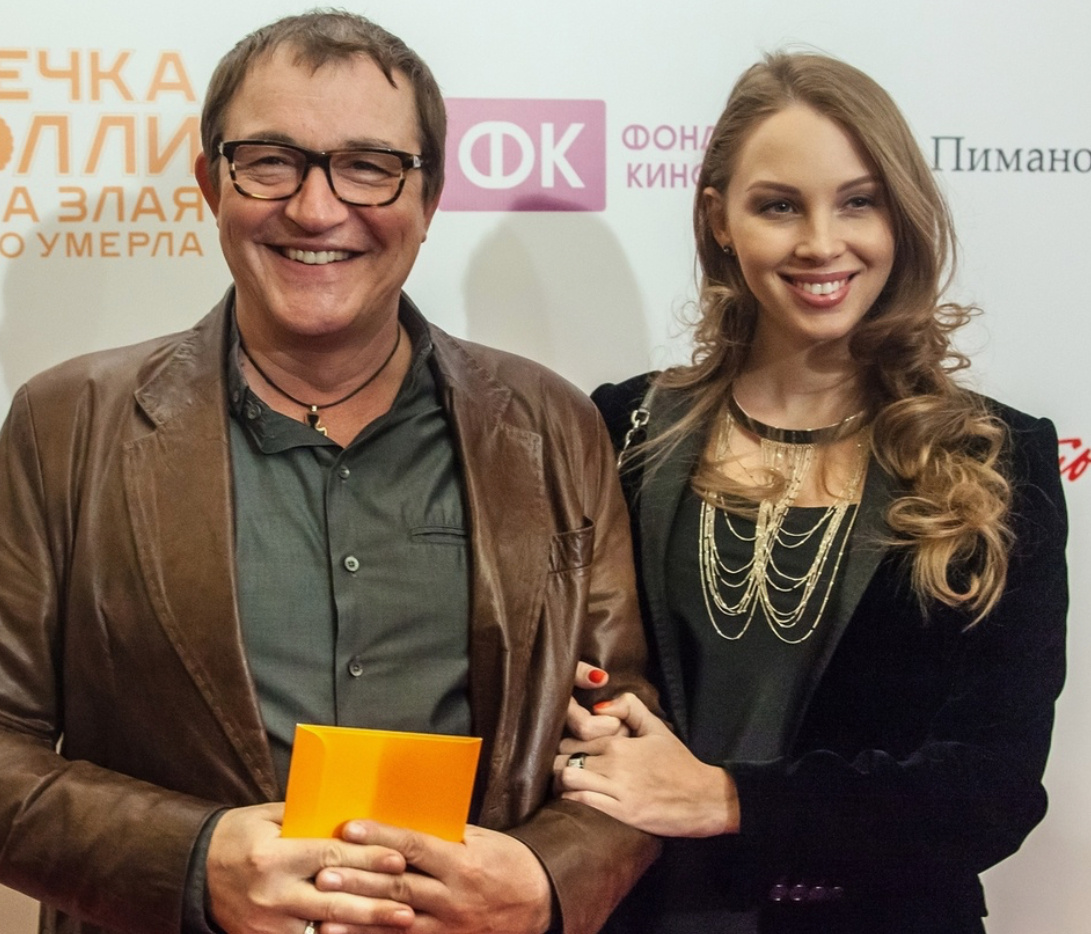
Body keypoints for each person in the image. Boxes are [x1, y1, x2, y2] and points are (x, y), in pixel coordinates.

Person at [0, 11, 659, 934]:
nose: (316, 209)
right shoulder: (65, 423)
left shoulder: (553, 427)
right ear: (211, 183)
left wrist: (548, 879)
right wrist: (191, 863)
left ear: (429, 198)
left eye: (368, 166)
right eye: (270, 161)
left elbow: (623, 735)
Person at [557, 52, 1067, 933]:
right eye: (779, 205)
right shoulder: (620, 429)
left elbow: (993, 787)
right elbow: (563, 685)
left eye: (858, 201)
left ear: (901, 216)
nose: (821, 242)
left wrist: (727, 800)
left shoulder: (996, 458)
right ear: (718, 220)